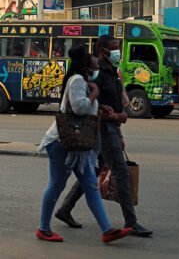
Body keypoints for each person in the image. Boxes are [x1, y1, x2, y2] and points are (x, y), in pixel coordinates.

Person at [55, 35, 153, 237]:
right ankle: (131, 222)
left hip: (111, 130)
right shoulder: (96, 74)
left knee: (94, 171)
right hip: (100, 131)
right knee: (120, 172)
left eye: (118, 47)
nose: (118, 51)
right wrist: (116, 117)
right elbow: (89, 107)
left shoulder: (113, 73)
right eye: (114, 48)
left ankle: (65, 209)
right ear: (103, 51)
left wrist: (119, 130)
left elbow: (115, 104)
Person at [36, 44, 133, 243]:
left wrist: (99, 106)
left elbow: (84, 106)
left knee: (90, 185)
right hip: (63, 143)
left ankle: (107, 230)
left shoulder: (82, 80)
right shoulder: (78, 80)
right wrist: (95, 94)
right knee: (56, 185)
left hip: (77, 146)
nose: (96, 60)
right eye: (93, 58)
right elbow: (79, 108)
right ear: (86, 64)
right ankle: (43, 229)